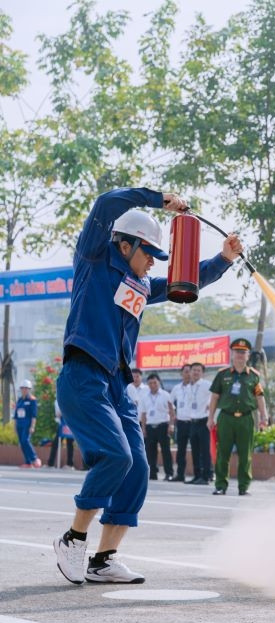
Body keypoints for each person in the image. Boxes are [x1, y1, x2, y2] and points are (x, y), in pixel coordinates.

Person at [52, 186, 244, 585]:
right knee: (116, 457)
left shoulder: (139, 285)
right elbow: (107, 203)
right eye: (148, 255)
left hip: (117, 385)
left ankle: (103, 559)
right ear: (124, 246)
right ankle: (72, 540)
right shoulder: (94, 258)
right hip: (84, 376)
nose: (152, 265)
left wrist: (225, 259)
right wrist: (160, 199)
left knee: (138, 466)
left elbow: (185, 281)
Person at [208, 338, 268, 496]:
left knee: (245, 454)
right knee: (223, 453)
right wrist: (210, 418)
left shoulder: (254, 376)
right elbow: (214, 397)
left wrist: (264, 417)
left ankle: (244, 486)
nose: (240, 355)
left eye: (243, 352)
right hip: (226, 418)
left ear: (248, 355)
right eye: (237, 352)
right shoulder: (223, 375)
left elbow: (260, 398)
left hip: (246, 419)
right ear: (232, 354)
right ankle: (220, 485)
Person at [140, 372, 175, 482]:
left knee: (166, 451)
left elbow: (172, 411)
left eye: (154, 382)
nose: (152, 385)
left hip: (163, 425)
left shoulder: (165, 395)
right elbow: (143, 414)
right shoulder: (144, 397)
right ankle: (153, 473)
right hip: (150, 426)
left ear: (159, 382)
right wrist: (144, 429)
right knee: (150, 451)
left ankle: (169, 473)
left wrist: (171, 425)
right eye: (150, 383)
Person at [184, 361, 213, 485]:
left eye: (198, 370)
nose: (195, 372)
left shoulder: (207, 384)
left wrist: (209, 405)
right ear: (190, 372)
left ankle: (206, 476)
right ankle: (197, 475)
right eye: (194, 370)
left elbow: (215, 396)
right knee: (194, 450)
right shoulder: (188, 387)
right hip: (193, 422)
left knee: (205, 450)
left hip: (204, 421)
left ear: (202, 373)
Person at [171, 364, 194, 482]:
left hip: (193, 422)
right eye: (185, 371)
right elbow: (170, 402)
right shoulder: (176, 388)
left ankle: (201, 474)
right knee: (181, 450)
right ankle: (180, 474)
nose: (188, 374)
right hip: (181, 422)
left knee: (197, 449)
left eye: (190, 371)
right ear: (181, 374)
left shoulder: (195, 387)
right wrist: (173, 415)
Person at [15, 379, 41, 468]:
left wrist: (32, 426)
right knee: (21, 443)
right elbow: (16, 414)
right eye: (22, 388)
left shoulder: (32, 400)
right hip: (19, 424)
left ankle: (35, 458)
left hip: (27, 424)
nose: (24, 390)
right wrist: (15, 426)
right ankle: (28, 462)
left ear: (29, 389)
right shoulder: (19, 400)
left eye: (26, 388)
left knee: (25, 441)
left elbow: (34, 415)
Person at [48, 397, 77, 469]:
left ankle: (70, 464)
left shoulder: (70, 398)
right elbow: (57, 414)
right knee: (56, 443)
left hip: (69, 424)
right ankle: (50, 464)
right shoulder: (57, 400)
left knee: (69, 443)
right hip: (62, 425)